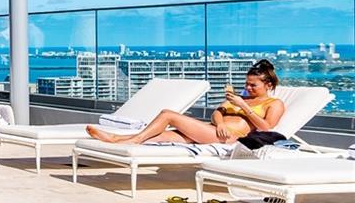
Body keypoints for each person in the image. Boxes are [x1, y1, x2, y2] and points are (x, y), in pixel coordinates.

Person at [86, 59, 284, 145]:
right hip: (214, 129)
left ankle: (132, 140)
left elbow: (266, 127)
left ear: (267, 84)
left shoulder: (273, 104)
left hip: (229, 137)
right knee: (161, 136)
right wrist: (221, 121)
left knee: (168, 114)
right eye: (247, 84)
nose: (248, 88)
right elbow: (217, 112)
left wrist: (243, 107)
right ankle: (115, 139)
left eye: (253, 85)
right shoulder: (243, 98)